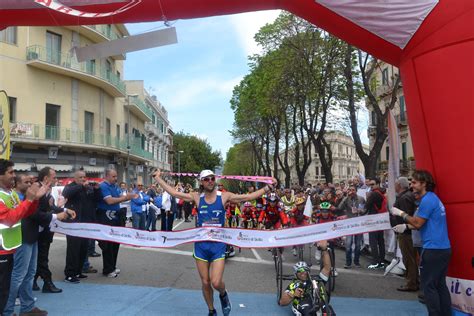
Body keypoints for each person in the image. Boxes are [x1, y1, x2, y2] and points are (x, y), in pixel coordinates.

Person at [153, 169, 277, 316]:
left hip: (218, 246)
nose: (210, 181)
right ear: (201, 182)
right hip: (201, 247)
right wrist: (158, 178)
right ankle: (211, 310)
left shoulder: (224, 196)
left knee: (216, 282)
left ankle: (223, 295)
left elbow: (248, 196)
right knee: (205, 282)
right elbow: (174, 193)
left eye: (212, 178)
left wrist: (268, 187)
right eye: (206, 179)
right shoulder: (197, 197)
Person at [4, 174, 75, 316]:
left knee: (29, 274)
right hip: (22, 239)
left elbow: (43, 209)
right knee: (18, 276)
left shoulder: (27, 196)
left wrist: (62, 210)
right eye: (26, 182)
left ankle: (27, 307)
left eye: (31, 182)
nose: (30, 184)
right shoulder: (17, 197)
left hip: (31, 237)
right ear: (16, 184)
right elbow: (33, 214)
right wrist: (56, 215)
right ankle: (8, 311)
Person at [391, 170, 451, 315]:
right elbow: (424, 223)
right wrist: (405, 226)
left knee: (429, 287)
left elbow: (418, 223)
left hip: (433, 249)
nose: (411, 185)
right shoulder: (432, 198)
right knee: (440, 285)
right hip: (442, 248)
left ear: (424, 184)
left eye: (414, 182)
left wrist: (401, 214)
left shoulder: (428, 200)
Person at [0, 160, 50, 314]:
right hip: (3, 248)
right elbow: (9, 218)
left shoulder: (10, 193)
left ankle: (13, 310)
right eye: (10, 172)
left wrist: (34, 199)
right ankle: (7, 312)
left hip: (12, 246)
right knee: (5, 286)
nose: (13, 176)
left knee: (9, 284)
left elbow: (25, 212)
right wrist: (29, 199)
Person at [62, 170, 101, 283]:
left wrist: (97, 189)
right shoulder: (71, 186)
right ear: (75, 178)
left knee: (83, 249)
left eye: (84, 177)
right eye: (80, 177)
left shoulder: (88, 188)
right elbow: (66, 194)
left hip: (85, 224)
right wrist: (80, 186)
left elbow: (96, 199)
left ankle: (78, 271)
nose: (83, 179)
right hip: (73, 224)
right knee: (73, 250)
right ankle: (69, 274)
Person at [96, 169, 136, 278]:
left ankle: (112, 266)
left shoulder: (115, 186)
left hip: (116, 217)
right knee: (108, 245)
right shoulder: (103, 186)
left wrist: (127, 196)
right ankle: (107, 269)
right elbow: (110, 201)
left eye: (116, 176)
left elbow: (120, 197)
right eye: (113, 176)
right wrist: (125, 197)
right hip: (106, 217)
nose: (115, 178)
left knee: (115, 243)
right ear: (107, 176)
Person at [34, 167, 67, 293]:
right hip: (36, 230)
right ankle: (47, 283)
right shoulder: (36, 188)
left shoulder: (48, 190)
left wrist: (64, 210)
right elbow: (36, 212)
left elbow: (50, 206)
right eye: (54, 177)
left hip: (45, 230)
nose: (56, 179)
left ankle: (33, 281)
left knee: (40, 257)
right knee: (42, 258)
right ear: (46, 178)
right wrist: (55, 215)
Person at [279, 240, 333, 315]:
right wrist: (293, 295)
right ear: (296, 274)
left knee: (329, 312)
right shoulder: (293, 285)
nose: (303, 273)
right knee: (309, 312)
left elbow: (327, 268)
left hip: (319, 303)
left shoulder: (316, 280)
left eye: (305, 270)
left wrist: (324, 249)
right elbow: (282, 302)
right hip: (303, 304)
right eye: (299, 271)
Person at [390, 177, 418, 291]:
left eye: (396, 184)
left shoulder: (405, 198)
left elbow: (407, 216)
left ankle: (411, 283)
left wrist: (403, 227)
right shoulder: (406, 196)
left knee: (408, 258)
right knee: (410, 257)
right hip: (407, 231)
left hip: (406, 233)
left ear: (399, 185)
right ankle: (413, 280)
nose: (394, 187)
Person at [365, 177, 388, 269]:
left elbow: (367, 206)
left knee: (373, 241)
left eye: (373, 184)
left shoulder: (373, 194)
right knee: (380, 241)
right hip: (381, 219)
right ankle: (381, 261)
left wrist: (368, 197)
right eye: (370, 184)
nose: (371, 186)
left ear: (378, 184)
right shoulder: (382, 192)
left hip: (373, 219)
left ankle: (375, 262)